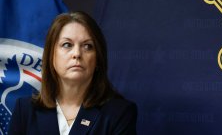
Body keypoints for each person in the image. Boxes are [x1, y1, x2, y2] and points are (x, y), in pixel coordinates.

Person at [8, 11, 137, 135]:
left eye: (87, 46)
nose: (77, 54)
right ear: (51, 55)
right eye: (67, 44)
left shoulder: (119, 113)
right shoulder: (25, 110)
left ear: (98, 58)